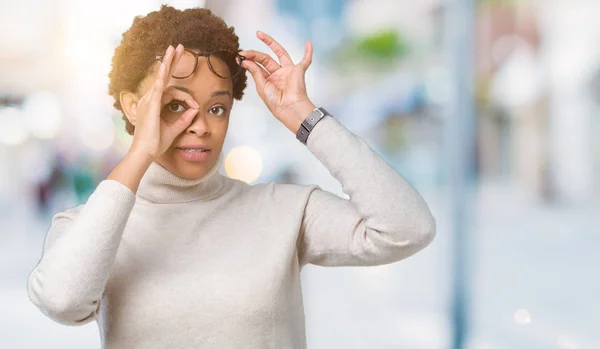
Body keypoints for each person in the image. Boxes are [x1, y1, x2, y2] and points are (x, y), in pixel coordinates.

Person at [27, 5, 436, 349]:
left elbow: (408, 228)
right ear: (134, 107)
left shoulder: (284, 211)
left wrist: (305, 117)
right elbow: (62, 302)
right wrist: (140, 152)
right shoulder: (89, 227)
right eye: (174, 105)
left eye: (217, 108)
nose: (200, 126)